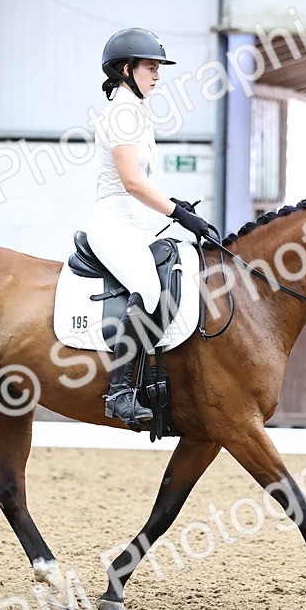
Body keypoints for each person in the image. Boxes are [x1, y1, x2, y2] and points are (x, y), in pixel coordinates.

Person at [89, 28, 214, 426]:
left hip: (134, 223)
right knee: (147, 287)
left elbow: (143, 186)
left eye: (158, 67)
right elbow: (131, 182)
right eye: (150, 67)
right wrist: (178, 215)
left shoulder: (138, 111)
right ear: (126, 69)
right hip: (113, 221)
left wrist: (174, 205)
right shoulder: (122, 112)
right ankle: (120, 392)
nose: (158, 75)